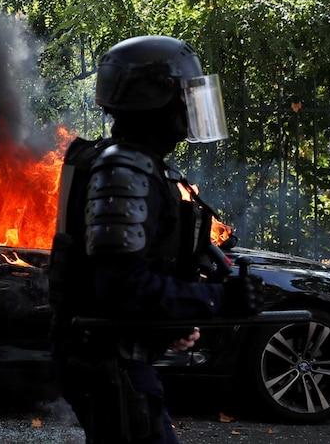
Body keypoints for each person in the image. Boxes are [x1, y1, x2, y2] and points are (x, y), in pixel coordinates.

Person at [48, 35, 264, 444]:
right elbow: (119, 287)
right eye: (185, 96)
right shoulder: (123, 171)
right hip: (107, 360)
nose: (190, 108)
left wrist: (169, 324)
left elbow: (129, 280)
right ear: (157, 100)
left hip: (116, 356)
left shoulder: (138, 167)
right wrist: (218, 301)